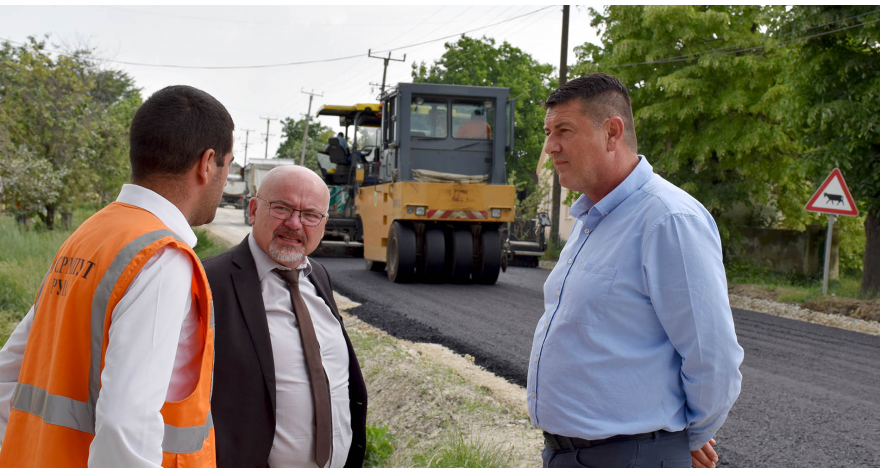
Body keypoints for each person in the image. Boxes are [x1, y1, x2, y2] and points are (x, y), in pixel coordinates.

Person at [0, 85, 234, 467]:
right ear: (207, 163)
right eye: (228, 165)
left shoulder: (90, 234)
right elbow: (126, 428)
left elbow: (10, 371)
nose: (225, 181)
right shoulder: (162, 259)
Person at [529, 73, 744, 469]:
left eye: (564, 131)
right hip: (568, 455)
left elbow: (713, 357)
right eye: (548, 133)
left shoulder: (667, 219)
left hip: (630, 458)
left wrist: (685, 438)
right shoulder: (592, 219)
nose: (551, 146)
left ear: (612, 133)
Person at [202, 165, 367, 468]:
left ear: (324, 223)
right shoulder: (208, 281)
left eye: (310, 215)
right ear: (253, 209)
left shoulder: (317, 276)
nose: (294, 223)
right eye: (281, 208)